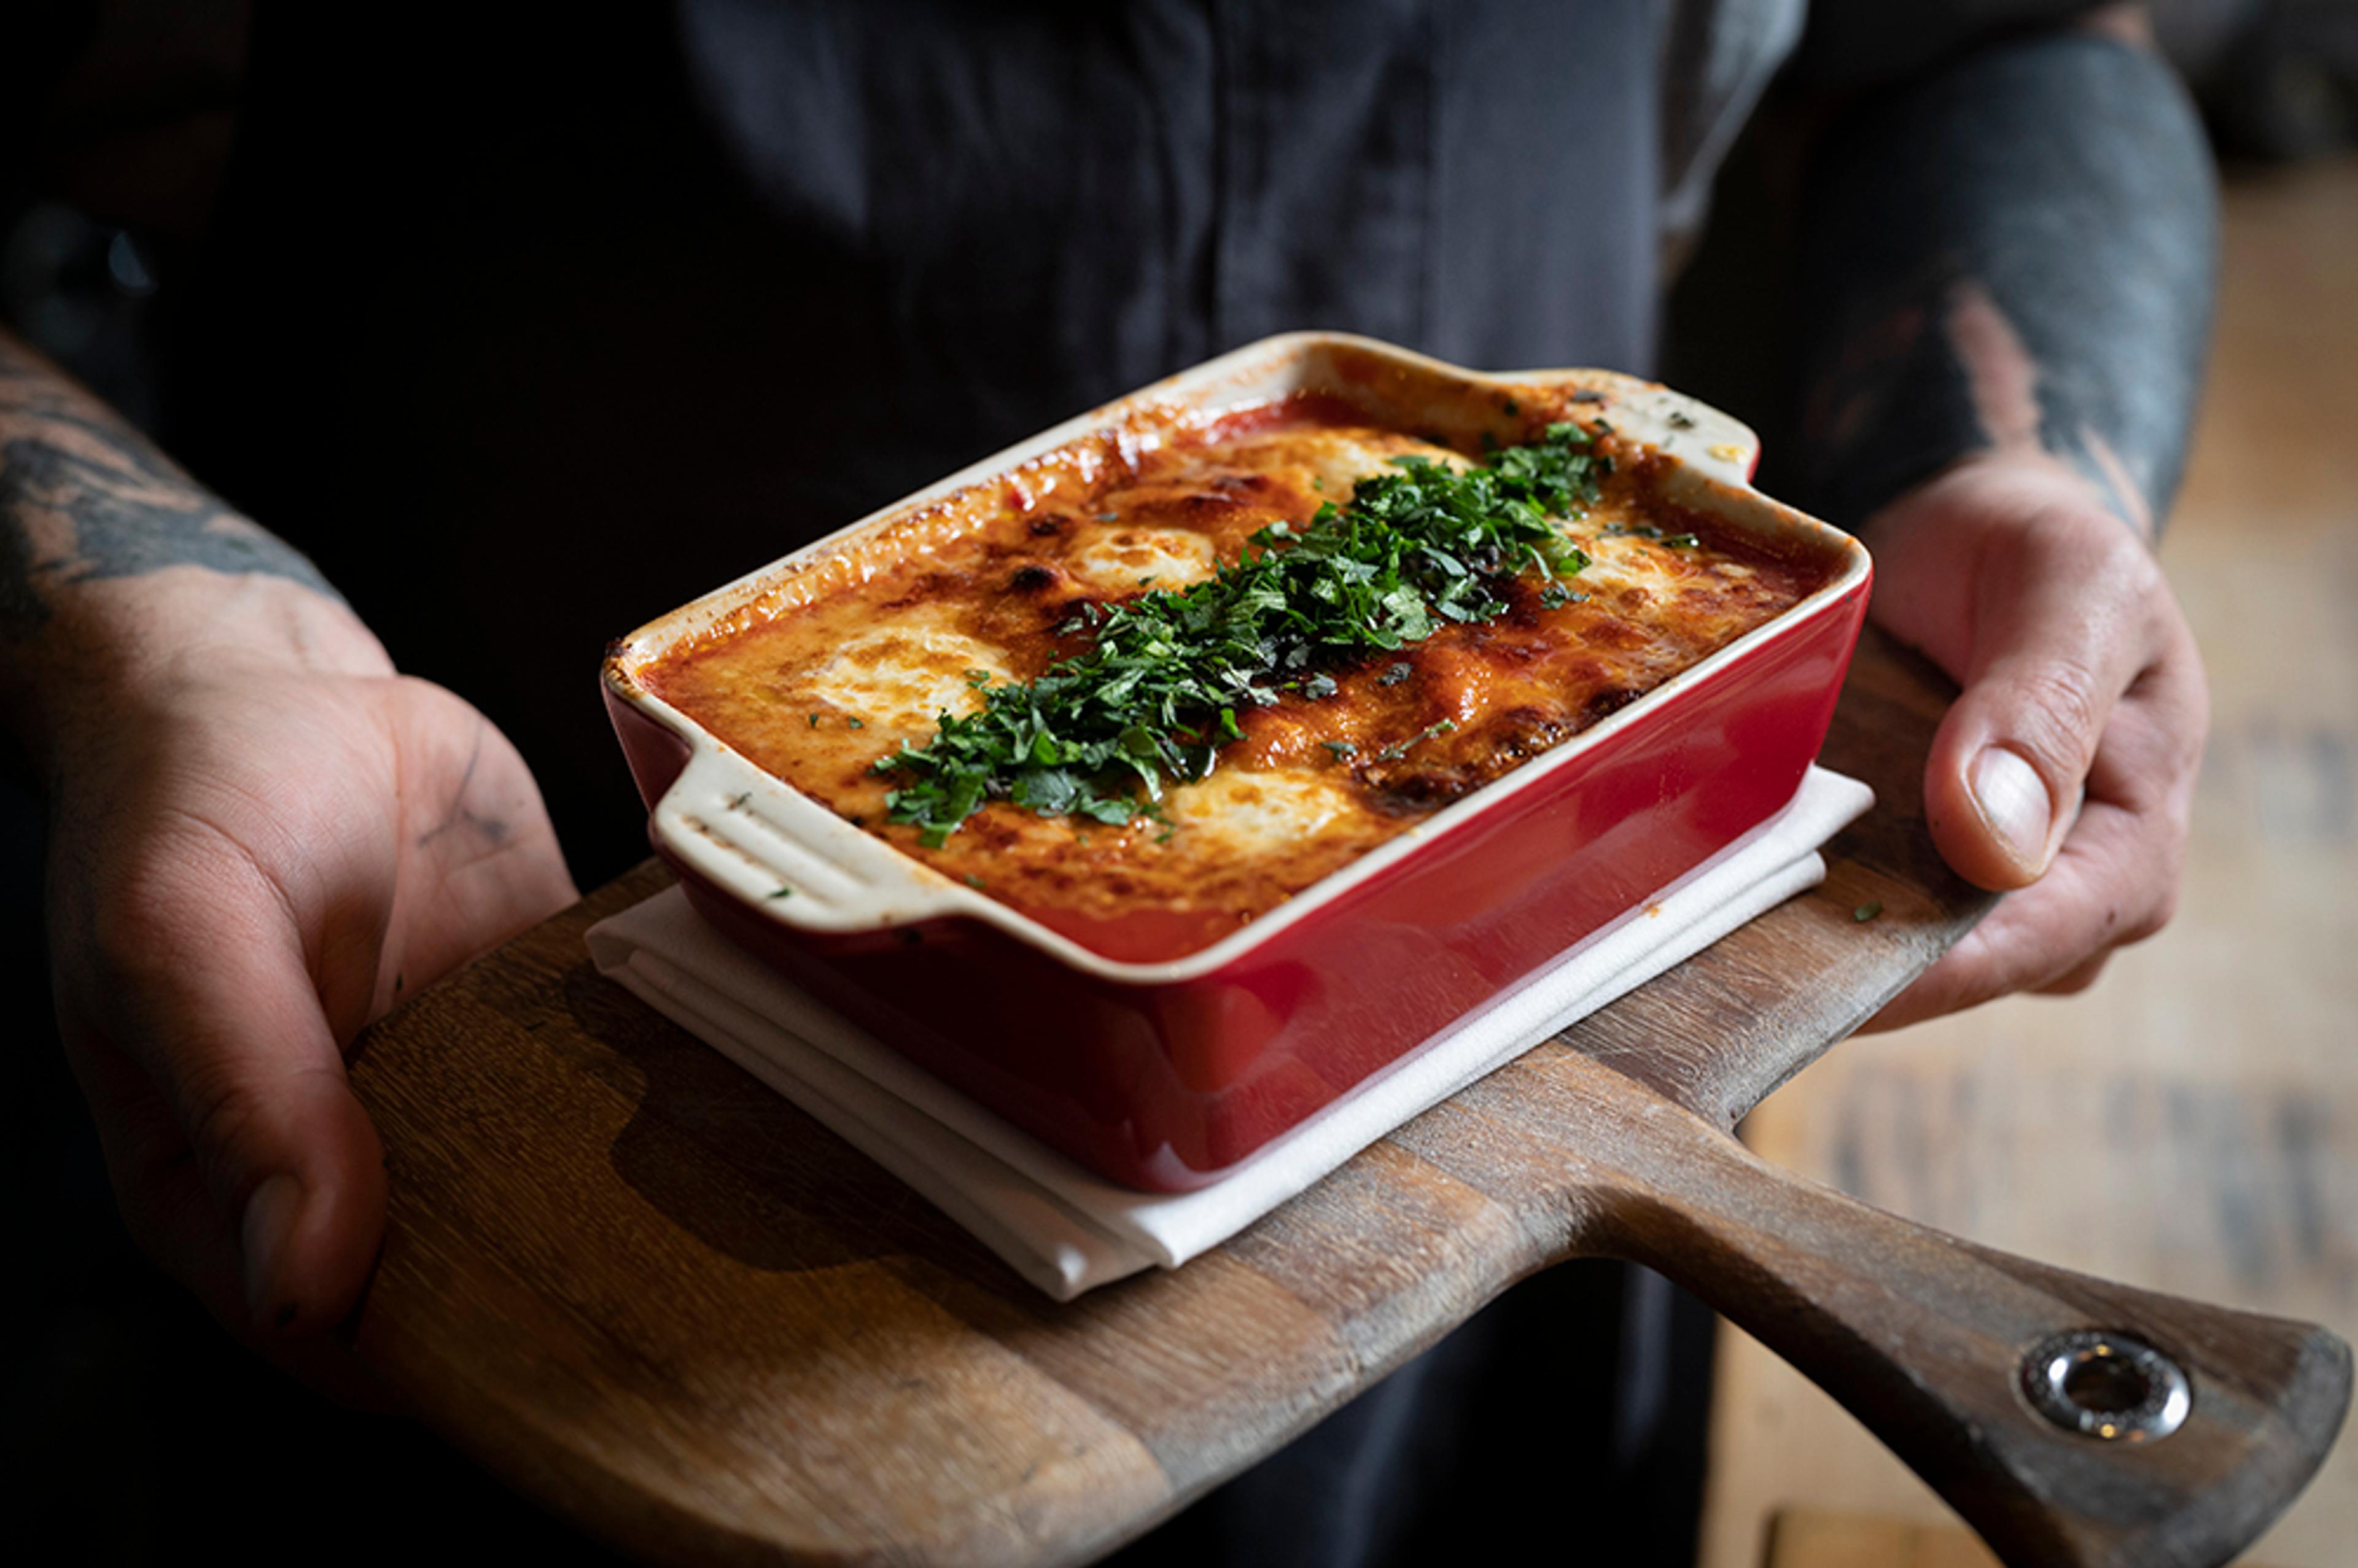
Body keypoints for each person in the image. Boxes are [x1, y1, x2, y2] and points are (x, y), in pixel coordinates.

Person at [1, 2, 2213, 1561]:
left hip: (1549, 1059)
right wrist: (145, 619)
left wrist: (2023, 449)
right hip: (498, 997)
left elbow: (2002, 37)